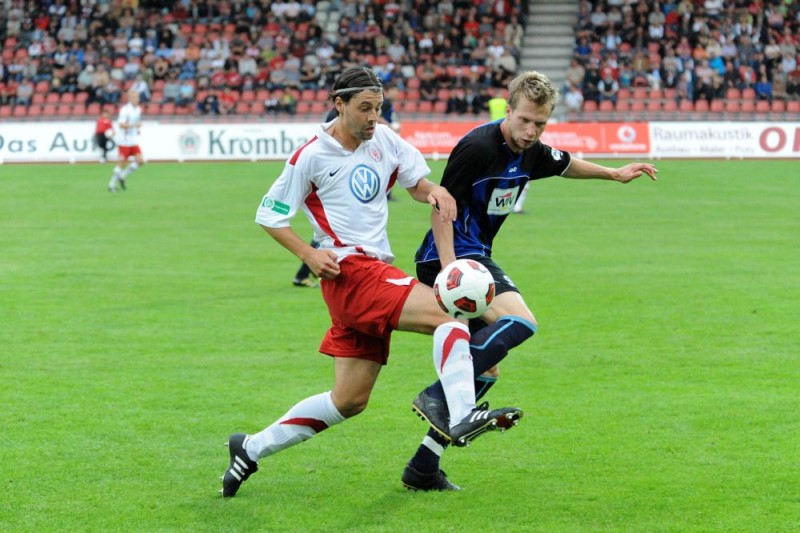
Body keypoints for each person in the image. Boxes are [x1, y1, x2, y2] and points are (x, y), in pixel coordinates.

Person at [221, 67, 523, 498]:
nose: (373, 117)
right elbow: (269, 214)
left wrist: (433, 191)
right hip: (351, 273)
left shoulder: (383, 139)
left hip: (366, 280)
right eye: (365, 108)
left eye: (378, 108)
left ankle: (249, 448)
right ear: (338, 104)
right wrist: (308, 253)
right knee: (449, 314)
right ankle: (461, 414)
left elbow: (414, 182)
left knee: (348, 400)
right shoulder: (311, 155)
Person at [402, 70, 658, 491]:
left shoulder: (532, 150)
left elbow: (566, 164)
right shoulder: (477, 147)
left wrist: (613, 174)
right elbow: (440, 205)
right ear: (508, 109)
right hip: (451, 258)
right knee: (520, 321)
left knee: (489, 369)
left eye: (540, 123)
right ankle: (437, 395)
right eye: (524, 120)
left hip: (474, 255)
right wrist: (451, 270)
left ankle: (423, 466)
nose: (531, 131)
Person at [108, 89, 144, 192]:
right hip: (124, 141)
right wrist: (134, 126)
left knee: (140, 161)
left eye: (137, 97)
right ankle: (111, 184)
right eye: (134, 97)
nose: (136, 99)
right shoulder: (125, 110)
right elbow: (121, 125)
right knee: (122, 163)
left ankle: (123, 176)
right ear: (130, 98)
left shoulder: (138, 109)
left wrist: (137, 129)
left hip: (133, 140)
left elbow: (135, 122)